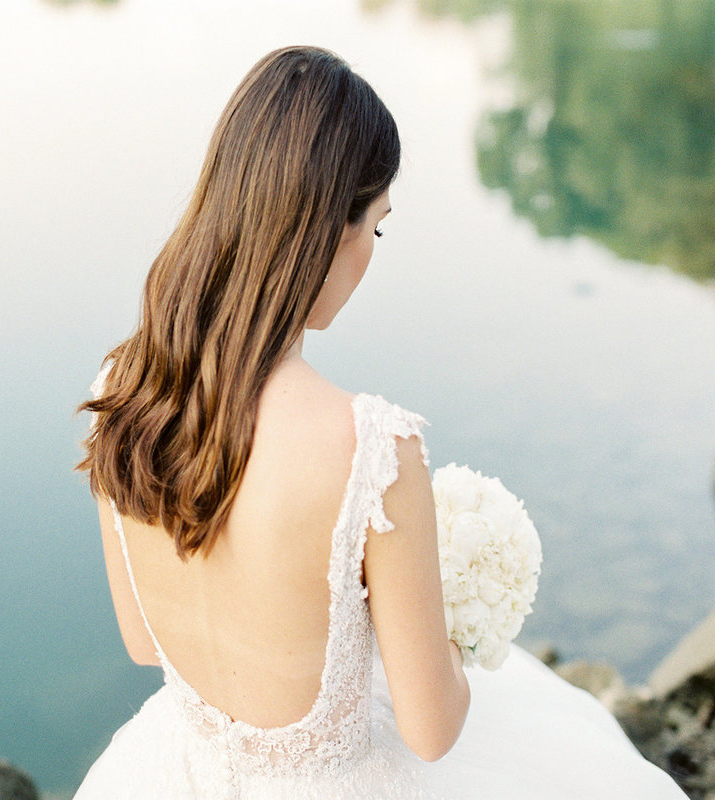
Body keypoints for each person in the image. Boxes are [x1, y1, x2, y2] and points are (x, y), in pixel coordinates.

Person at [74, 46, 686, 799]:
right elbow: (432, 732)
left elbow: (143, 642)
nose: (371, 252)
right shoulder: (370, 448)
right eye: (378, 226)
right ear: (333, 229)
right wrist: (456, 627)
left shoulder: (124, 387)